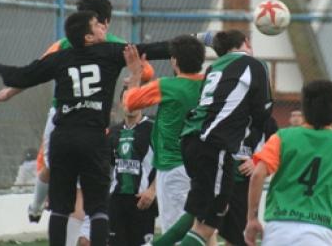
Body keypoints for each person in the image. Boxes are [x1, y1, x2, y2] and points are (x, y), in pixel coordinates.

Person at [0, 10, 171, 246]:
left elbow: (21, 75)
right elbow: (152, 49)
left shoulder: (60, 58)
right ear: (89, 37)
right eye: (97, 25)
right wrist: (194, 43)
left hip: (63, 139)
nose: (103, 29)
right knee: (97, 208)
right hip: (94, 139)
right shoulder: (111, 53)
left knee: (60, 208)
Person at [159, 29, 273, 246]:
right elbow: (264, 111)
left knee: (201, 212)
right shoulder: (256, 65)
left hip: (192, 140)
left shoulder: (214, 68)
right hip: (214, 144)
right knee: (208, 222)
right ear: (246, 42)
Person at [244, 80, 332, 246]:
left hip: (279, 226)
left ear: (304, 108)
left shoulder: (283, 137)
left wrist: (252, 218)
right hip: (320, 230)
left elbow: (257, 174)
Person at [122, 35, 205, 238]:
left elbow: (129, 104)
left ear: (174, 61)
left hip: (174, 167)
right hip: (202, 165)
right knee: (201, 230)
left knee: (176, 233)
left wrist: (135, 74)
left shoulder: (167, 86)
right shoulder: (209, 84)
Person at [107, 79, 158, 246]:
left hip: (142, 202)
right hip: (116, 203)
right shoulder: (113, 133)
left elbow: (167, 162)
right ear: (122, 103)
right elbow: (106, 167)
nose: (130, 103)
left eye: (134, 98)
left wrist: (152, 190)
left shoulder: (153, 129)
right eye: (126, 99)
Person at [218, 117, 278, 246]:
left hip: (244, 183)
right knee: (207, 228)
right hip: (219, 177)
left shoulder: (265, 121)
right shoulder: (227, 110)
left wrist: (257, 162)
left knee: (237, 235)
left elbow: (276, 154)